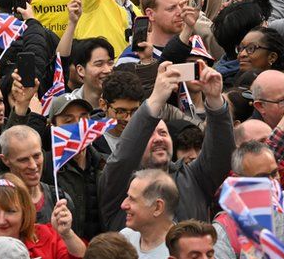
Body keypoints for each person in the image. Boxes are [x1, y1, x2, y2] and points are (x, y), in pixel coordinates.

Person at [99, 62, 234, 231]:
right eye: (149, 135)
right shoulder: (119, 182)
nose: (158, 139)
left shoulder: (193, 177)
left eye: (163, 133)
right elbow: (124, 157)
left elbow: (221, 155)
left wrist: (215, 101)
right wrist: (156, 98)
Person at [118, 169, 179, 259]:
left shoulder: (186, 253)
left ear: (157, 207)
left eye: (132, 199)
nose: (123, 205)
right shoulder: (123, 239)